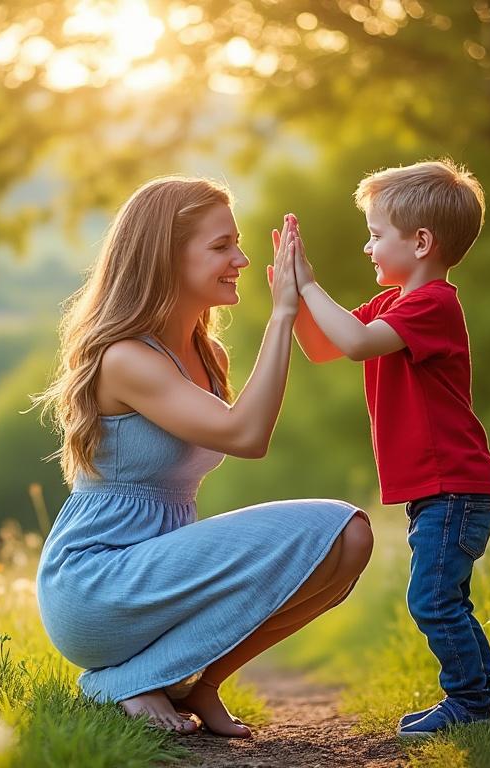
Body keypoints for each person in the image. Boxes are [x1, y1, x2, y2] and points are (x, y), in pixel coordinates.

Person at [33, 176, 372, 738]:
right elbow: (247, 436)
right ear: (165, 257)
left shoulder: (206, 353)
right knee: (338, 523)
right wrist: (282, 315)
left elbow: (245, 430)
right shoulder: (126, 359)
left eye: (236, 244)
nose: (241, 259)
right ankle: (118, 682)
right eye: (221, 246)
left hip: (156, 573)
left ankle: (196, 685)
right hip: (96, 585)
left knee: (349, 544)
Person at [290, 159, 490, 738]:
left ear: (421, 242)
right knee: (444, 596)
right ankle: (484, 696)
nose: (367, 247)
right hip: (440, 488)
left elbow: (356, 344)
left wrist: (311, 284)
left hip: (455, 485)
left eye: (376, 234)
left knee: (432, 599)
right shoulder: (391, 305)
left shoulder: (432, 304)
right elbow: (321, 346)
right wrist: (292, 296)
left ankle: (470, 702)